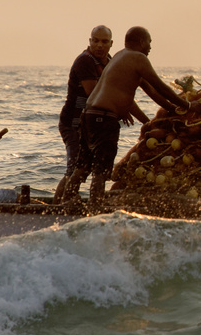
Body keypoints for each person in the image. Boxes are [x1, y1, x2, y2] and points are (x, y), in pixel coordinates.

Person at [60, 26, 192, 206]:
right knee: (100, 170)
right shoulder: (139, 58)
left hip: (89, 116)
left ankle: (66, 202)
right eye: (150, 43)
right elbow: (160, 87)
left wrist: (171, 110)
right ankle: (96, 209)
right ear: (141, 42)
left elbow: (151, 91)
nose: (151, 48)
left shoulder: (120, 56)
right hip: (104, 119)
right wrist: (188, 105)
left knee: (83, 166)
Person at [54, 25, 132, 201]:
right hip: (73, 123)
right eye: (95, 40)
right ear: (89, 41)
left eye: (104, 42)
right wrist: (120, 107)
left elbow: (115, 89)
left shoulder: (109, 62)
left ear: (111, 44)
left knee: (85, 168)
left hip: (91, 126)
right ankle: (58, 206)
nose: (99, 45)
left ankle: (63, 203)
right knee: (75, 168)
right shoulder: (85, 61)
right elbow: (95, 94)